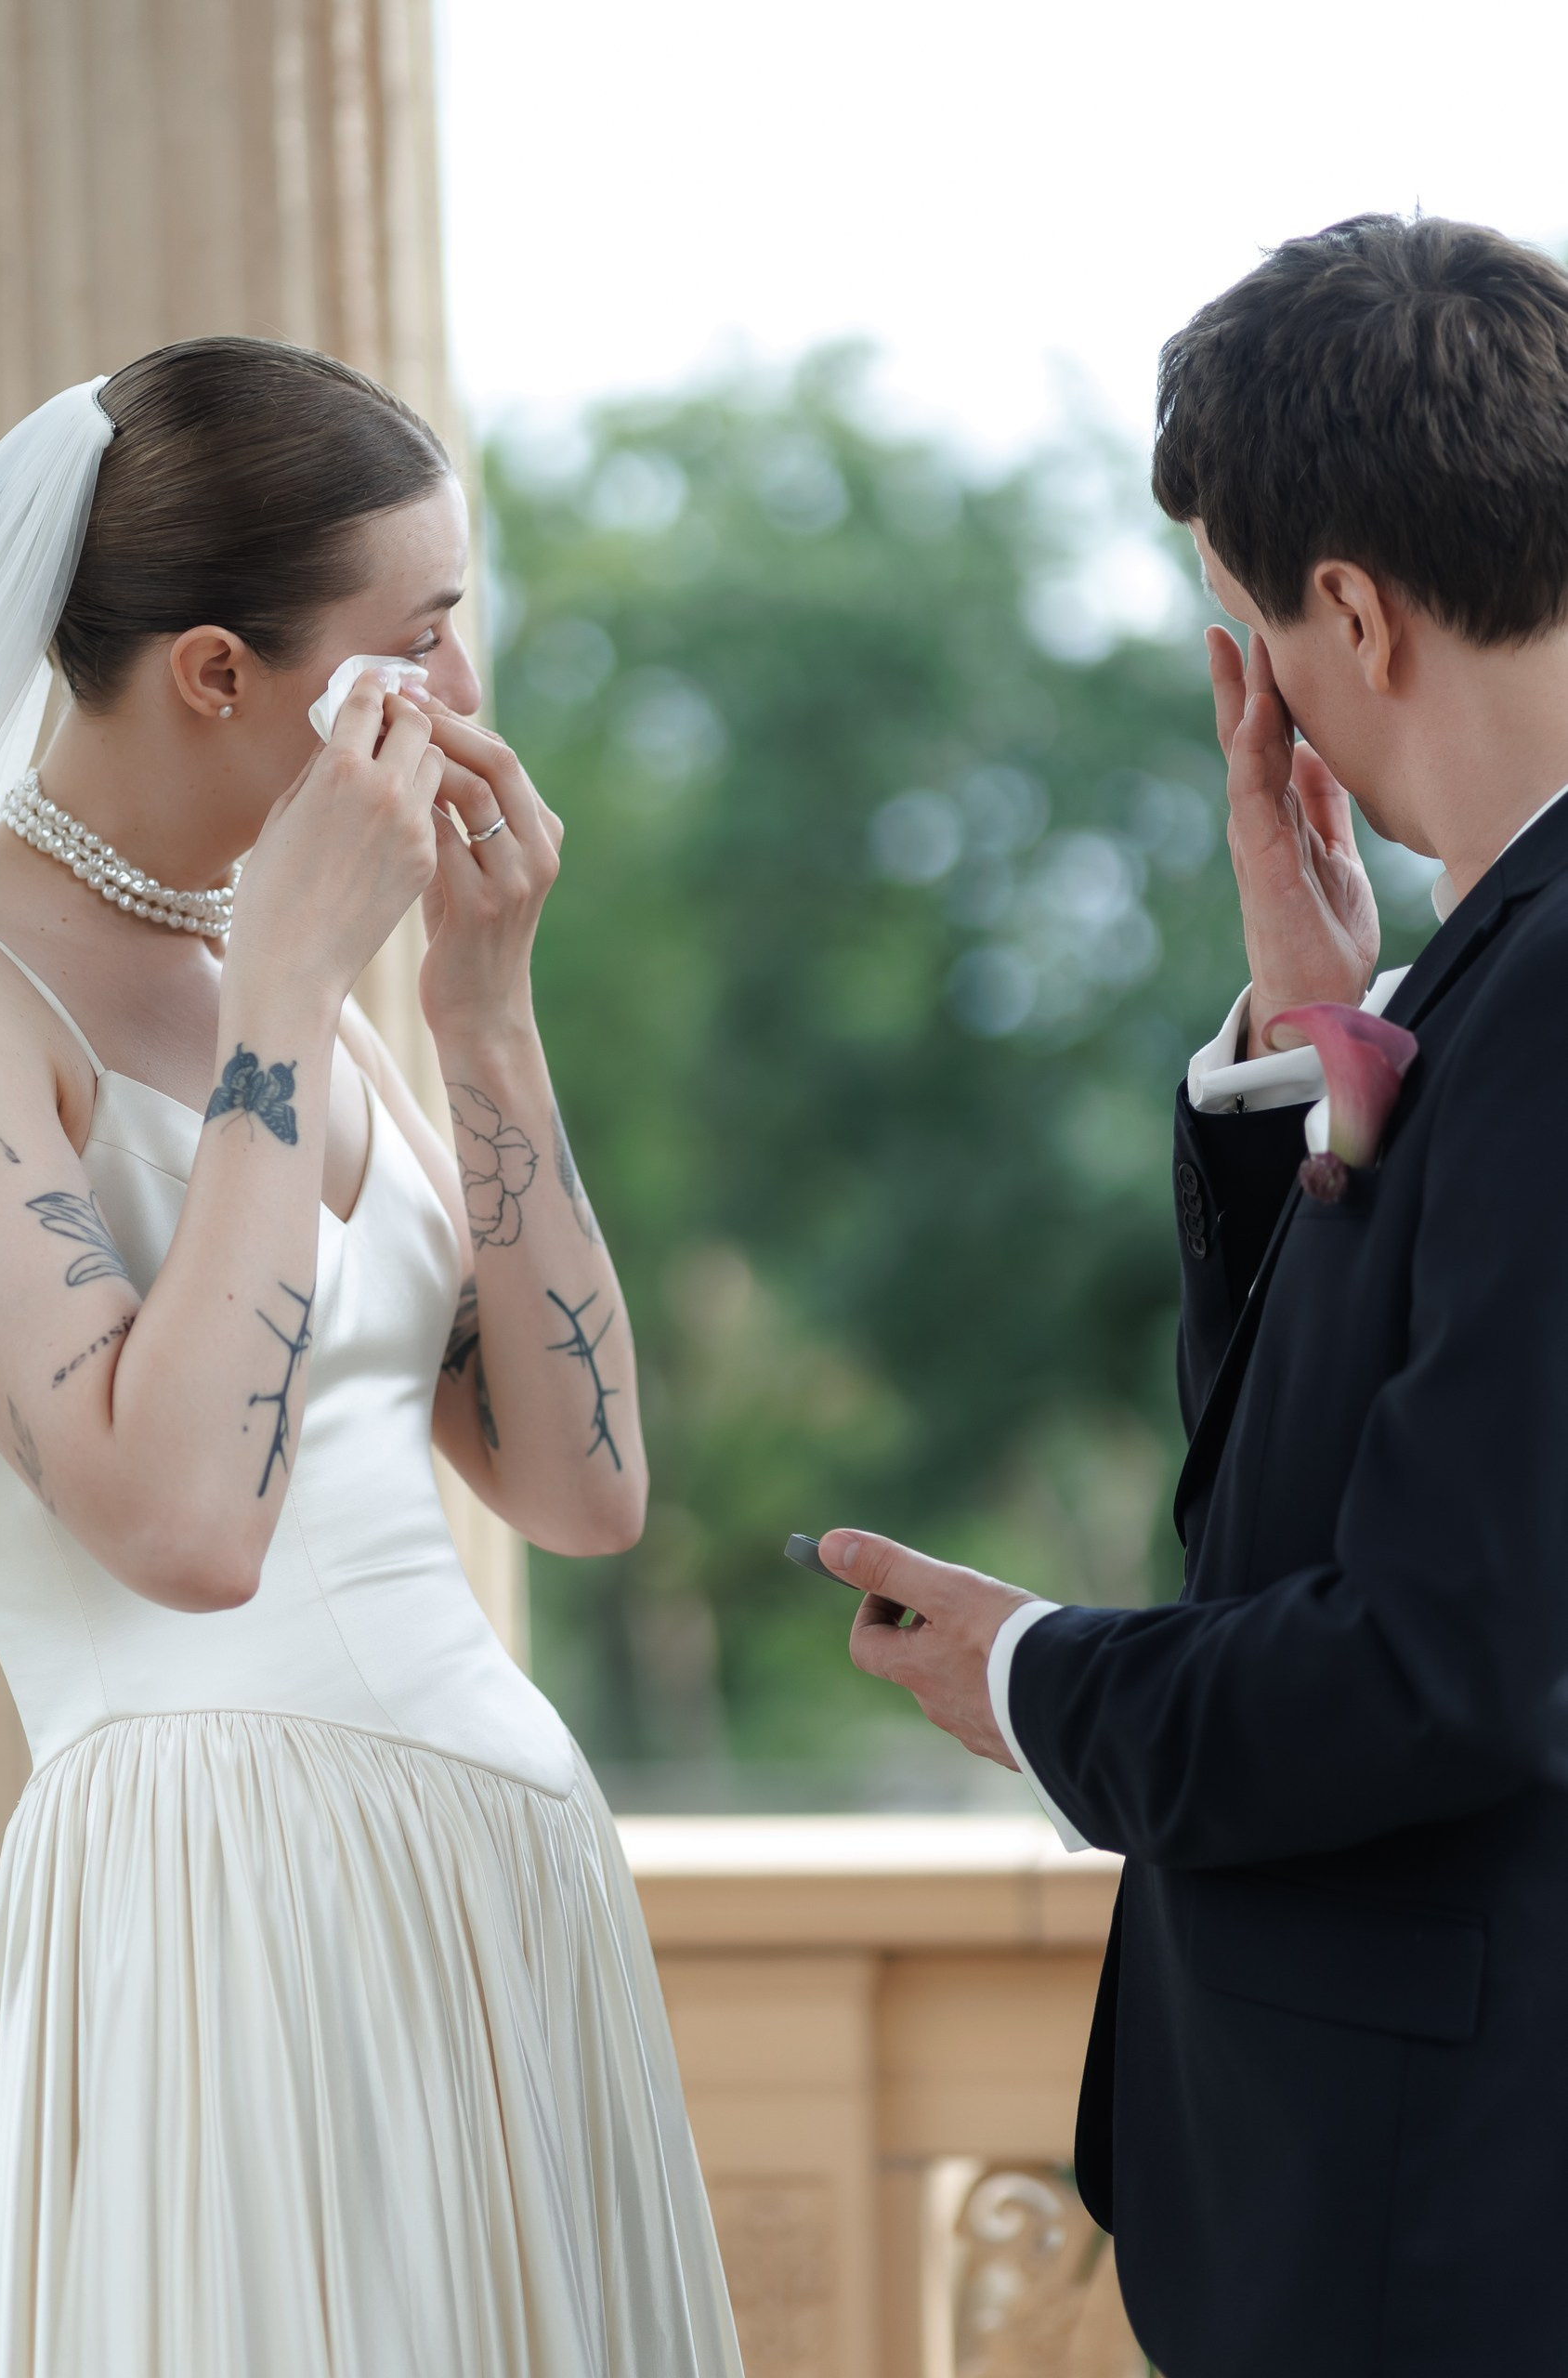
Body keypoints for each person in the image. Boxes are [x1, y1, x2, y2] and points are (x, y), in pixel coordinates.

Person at [815, 216, 1568, 2375]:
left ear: (1351, 610)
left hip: (1448, 2218)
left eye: (1249, 626)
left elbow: (1441, 1654)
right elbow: (1327, 1468)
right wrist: (1326, 1024)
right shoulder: (1492, 972)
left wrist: (1033, 1673)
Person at [0, 338, 742, 2378]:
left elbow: (584, 1489)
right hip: (224, 1909)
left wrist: (481, 1012)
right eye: (415, 640)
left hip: (504, 1882)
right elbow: (182, 1525)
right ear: (217, 673)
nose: (464, 694)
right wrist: (290, 993)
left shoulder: (289, 967)